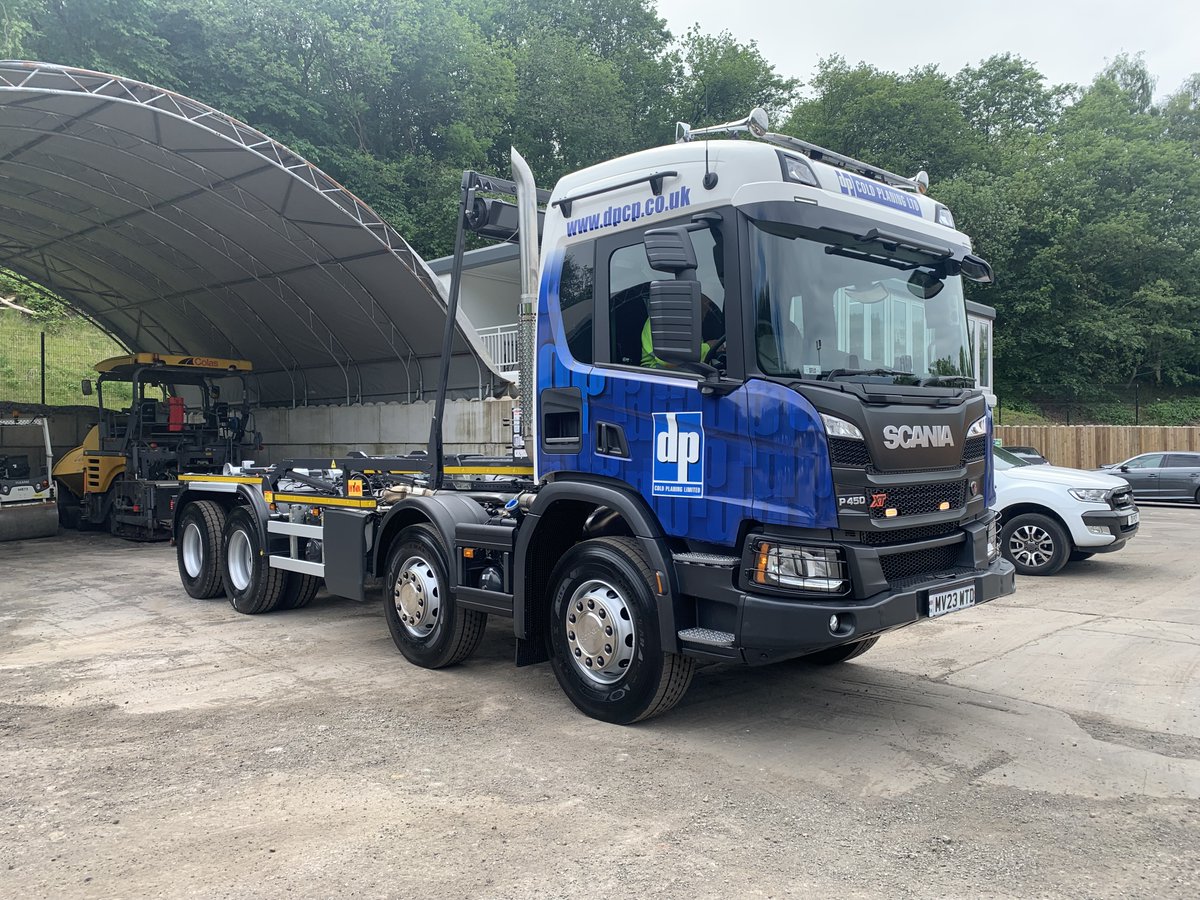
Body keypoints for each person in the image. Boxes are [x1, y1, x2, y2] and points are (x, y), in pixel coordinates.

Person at [640, 294, 725, 369]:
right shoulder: (662, 319)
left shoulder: (687, 323)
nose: (709, 309)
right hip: (657, 378)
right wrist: (709, 347)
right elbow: (670, 360)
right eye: (708, 303)